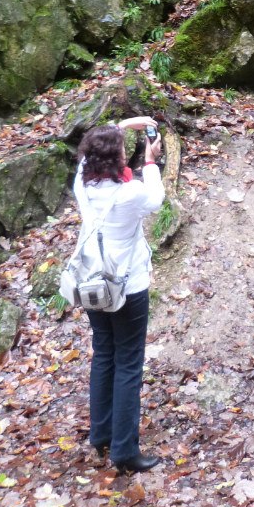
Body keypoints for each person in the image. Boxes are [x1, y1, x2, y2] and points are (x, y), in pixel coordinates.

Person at [74, 116, 165, 473]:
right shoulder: (130, 193)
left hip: (92, 284)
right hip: (128, 287)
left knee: (104, 354)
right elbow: (155, 199)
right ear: (116, 159)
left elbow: (89, 154)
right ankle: (125, 450)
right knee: (128, 363)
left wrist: (126, 125)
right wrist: (151, 160)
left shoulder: (83, 184)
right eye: (124, 151)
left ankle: (101, 435)